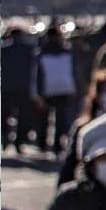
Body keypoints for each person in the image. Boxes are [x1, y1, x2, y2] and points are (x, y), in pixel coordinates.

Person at [34, 25, 79, 156]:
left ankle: (42, 144)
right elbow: (74, 71)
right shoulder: (67, 51)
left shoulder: (40, 53)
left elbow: (37, 75)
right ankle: (57, 146)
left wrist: (38, 93)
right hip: (64, 89)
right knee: (60, 120)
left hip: (46, 90)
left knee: (44, 119)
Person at [2, 25, 38, 154]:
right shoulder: (29, 49)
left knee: (5, 116)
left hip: (6, 87)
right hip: (24, 87)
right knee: (23, 117)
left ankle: (4, 139)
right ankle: (19, 142)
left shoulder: (3, 49)